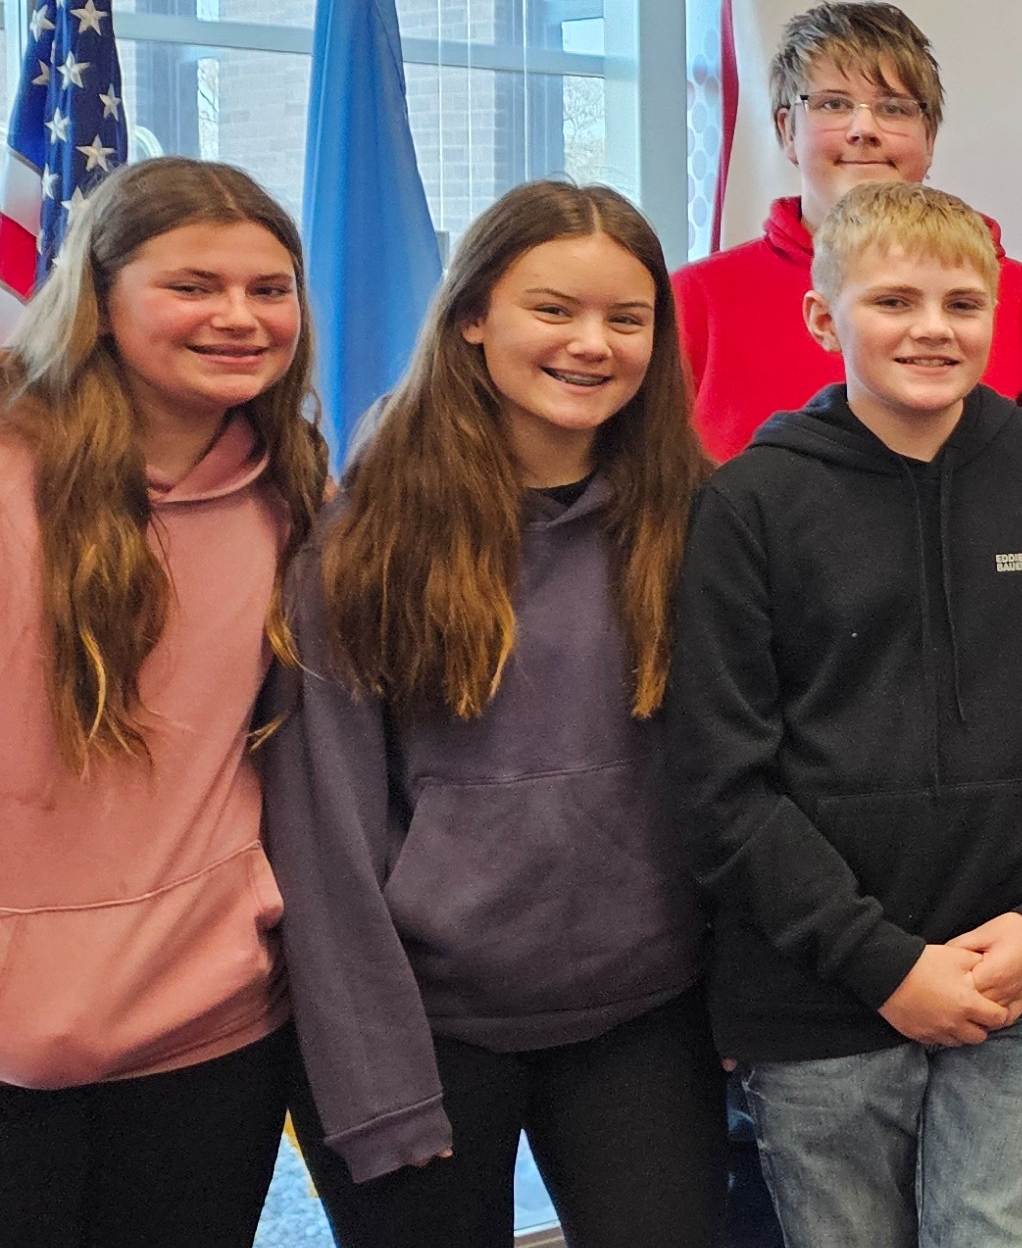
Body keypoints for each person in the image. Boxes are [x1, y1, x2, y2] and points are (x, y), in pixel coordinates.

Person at [666, 180, 1022, 1248]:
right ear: (822, 317)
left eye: (962, 303)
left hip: (1020, 972)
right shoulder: (749, 499)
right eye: (894, 300)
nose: (933, 329)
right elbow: (722, 779)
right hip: (817, 991)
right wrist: (881, 960)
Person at [264, 182, 721, 1247]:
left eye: (626, 317)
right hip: (422, 1028)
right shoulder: (357, 546)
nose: (591, 344)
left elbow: (736, 780)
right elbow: (321, 840)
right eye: (552, 309)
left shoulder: (697, 521)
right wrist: (375, 1085)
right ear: (473, 314)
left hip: (643, 1011)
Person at [0, 158, 328, 1245]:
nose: (239, 316)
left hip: (212, 1046)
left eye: (269, 288)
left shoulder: (294, 492)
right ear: (101, 293)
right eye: (194, 284)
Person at [678, 1, 1022, 458]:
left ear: (930, 138)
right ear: (787, 131)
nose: (864, 129)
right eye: (833, 104)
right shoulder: (693, 302)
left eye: (894, 109)